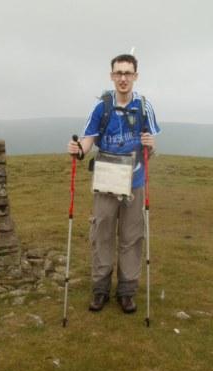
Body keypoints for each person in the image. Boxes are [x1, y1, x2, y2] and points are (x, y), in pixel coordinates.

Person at [67, 54, 160, 314]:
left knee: (132, 237)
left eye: (128, 73)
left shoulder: (144, 107)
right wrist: (79, 150)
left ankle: (127, 291)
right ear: (111, 76)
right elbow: (88, 138)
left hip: (135, 180)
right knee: (102, 234)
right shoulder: (101, 107)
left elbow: (149, 143)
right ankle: (100, 289)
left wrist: (151, 146)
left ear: (135, 77)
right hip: (106, 180)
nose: (123, 78)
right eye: (118, 73)